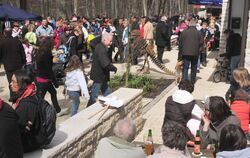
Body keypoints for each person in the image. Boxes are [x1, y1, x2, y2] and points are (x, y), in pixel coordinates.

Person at [10, 69, 41, 152]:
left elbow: (18, 129)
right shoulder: (28, 94)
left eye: (13, 82)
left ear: (21, 83)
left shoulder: (26, 104)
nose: (10, 84)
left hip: (28, 143)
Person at [35, 36, 66, 115]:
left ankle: (58, 110)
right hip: (43, 80)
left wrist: (53, 57)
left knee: (53, 93)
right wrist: (55, 83)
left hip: (41, 79)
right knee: (40, 99)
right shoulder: (46, 53)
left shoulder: (40, 51)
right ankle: (38, 114)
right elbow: (49, 70)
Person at [87, 33, 117, 106]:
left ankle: (110, 102)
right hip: (99, 75)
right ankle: (88, 108)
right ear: (104, 39)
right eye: (110, 41)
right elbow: (105, 64)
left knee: (106, 90)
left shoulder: (101, 46)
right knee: (94, 94)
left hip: (102, 75)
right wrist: (113, 68)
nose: (111, 43)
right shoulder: (101, 49)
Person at [0, 28, 26, 101]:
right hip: (17, 64)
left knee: (11, 81)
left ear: (4, 33)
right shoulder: (17, 41)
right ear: (11, 33)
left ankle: (13, 96)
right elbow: (22, 53)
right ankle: (19, 95)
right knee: (18, 80)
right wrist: (24, 61)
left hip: (9, 65)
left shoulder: (2, 42)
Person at [179, 19, 203, 84]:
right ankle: (192, 81)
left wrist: (179, 55)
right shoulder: (199, 33)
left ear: (188, 25)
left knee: (185, 68)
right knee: (194, 68)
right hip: (195, 53)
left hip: (185, 53)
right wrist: (199, 51)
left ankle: (184, 81)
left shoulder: (184, 32)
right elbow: (201, 43)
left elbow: (180, 44)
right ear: (195, 25)